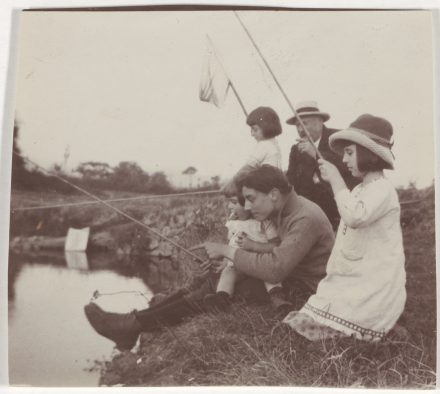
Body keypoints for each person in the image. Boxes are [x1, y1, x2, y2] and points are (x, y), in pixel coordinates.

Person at [84, 166, 335, 350]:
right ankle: (134, 322)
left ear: (273, 193)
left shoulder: (306, 217)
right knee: (214, 278)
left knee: (215, 291)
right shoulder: (283, 208)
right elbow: (271, 253)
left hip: (304, 290)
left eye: (251, 199)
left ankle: (132, 326)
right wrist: (230, 260)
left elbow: (276, 269)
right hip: (290, 277)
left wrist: (228, 252)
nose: (247, 207)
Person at [283, 114, 406, 341]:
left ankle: (375, 326)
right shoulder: (361, 189)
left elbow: (354, 217)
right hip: (356, 273)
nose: (344, 159)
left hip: (375, 279)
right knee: (313, 311)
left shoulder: (383, 190)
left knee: (333, 319)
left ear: (369, 154)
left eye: (349, 153)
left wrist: (337, 179)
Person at [204, 192, 286, 311]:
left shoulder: (264, 222)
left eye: (234, 202)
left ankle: (277, 297)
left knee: (269, 275)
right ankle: (222, 297)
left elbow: (276, 245)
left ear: (249, 204)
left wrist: (253, 245)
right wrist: (226, 261)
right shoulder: (233, 223)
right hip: (238, 264)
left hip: (259, 262)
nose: (229, 207)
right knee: (228, 271)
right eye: (229, 202)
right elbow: (231, 244)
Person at [285, 100, 358, 229]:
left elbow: (349, 167)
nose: (300, 129)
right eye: (297, 126)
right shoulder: (296, 150)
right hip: (313, 219)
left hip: (344, 213)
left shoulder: (338, 138)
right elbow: (291, 183)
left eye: (304, 123)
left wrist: (316, 154)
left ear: (319, 121)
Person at [222, 106, 282, 196]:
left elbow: (246, 170)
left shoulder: (264, 145)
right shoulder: (274, 144)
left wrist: (230, 185)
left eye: (255, 129)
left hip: (263, 191)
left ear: (267, 127)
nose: (252, 134)